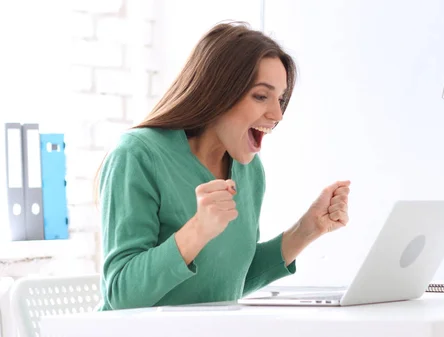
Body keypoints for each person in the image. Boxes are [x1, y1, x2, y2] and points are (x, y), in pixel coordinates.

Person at [95, 22, 351, 311]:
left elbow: (226, 281)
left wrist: (308, 229)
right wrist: (198, 230)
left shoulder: (249, 171)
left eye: (280, 99)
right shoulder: (138, 155)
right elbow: (121, 295)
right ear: (217, 91)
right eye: (261, 96)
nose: (277, 113)